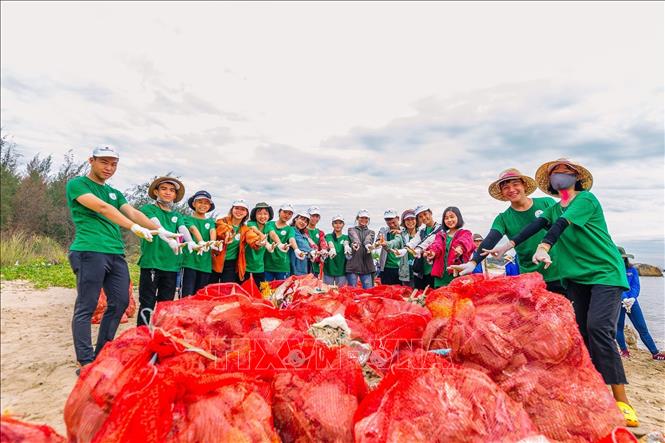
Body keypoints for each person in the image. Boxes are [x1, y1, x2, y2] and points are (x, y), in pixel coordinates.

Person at [485, 158, 638, 427]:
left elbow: (560, 225)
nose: (560, 177)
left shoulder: (585, 200)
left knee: (599, 328)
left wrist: (543, 247)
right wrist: (504, 247)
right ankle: (596, 390)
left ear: (576, 177)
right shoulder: (554, 208)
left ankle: (622, 401)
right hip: (576, 278)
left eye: (565, 172)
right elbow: (532, 227)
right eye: (555, 174)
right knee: (581, 332)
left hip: (604, 273)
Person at [66, 147, 170, 371]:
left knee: (121, 301)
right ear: (91, 161)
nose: (109, 168)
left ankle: (103, 351)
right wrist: (132, 227)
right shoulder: (78, 184)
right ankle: (85, 360)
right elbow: (103, 208)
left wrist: (161, 231)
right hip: (89, 250)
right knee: (87, 304)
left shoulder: (115, 192)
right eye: (104, 162)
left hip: (115, 253)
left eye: (113, 164)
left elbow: (133, 212)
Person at [451, 168, 564, 295]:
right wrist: (473, 262)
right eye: (505, 187)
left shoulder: (546, 203)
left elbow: (563, 228)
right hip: (530, 277)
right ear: (502, 192)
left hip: (559, 270)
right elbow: (490, 240)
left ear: (524, 185)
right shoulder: (503, 218)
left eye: (515, 184)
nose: (511, 190)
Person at [137, 176, 193, 326]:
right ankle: (141, 336)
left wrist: (192, 243)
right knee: (147, 303)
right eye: (164, 189)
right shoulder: (148, 209)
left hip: (171, 265)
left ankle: (160, 336)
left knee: (165, 305)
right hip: (152, 263)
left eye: (171, 190)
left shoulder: (177, 215)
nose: (168, 192)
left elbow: (183, 229)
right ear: (156, 192)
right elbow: (156, 224)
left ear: (175, 195)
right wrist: (168, 239)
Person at [615, 246, 665, 361]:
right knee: (619, 327)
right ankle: (624, 351)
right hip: (618, 302)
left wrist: (631, 298)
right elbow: (616, 286)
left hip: (632, 302)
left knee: (642, 328)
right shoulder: (613, 269)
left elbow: (635, 286)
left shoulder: (632, 270)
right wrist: (624, 298)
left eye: (623, 257)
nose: (621, 259)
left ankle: (655, 353)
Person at [425, 207, 475, 288]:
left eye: (452, 217)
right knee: (440, 299)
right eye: (446, 218)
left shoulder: (465, 233)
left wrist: (460, 248)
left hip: (457, 275)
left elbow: (466, 241)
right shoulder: (440, 235)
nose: (449, 220)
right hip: (440, 277)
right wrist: (432, 252)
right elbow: (437, 245)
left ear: (458, 217)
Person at [180, 190, 217, 297]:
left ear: (209, 206)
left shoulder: (210, 222)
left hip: (205, 265)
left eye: (206, 203)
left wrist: (213, 242)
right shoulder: (186, 219)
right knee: (187, 295)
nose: (203, 205)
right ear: (193, 203)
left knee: (201, 296)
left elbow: (212, 231)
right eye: (200, 202)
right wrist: (201, 242)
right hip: (189, 263)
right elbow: (193, 229)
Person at [211, 199, 253, 283]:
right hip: (215, 261)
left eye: (243, 209)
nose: (239, 211)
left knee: (226, 290)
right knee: (211, 288)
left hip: (231, 264)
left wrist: (259, 242)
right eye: (237, 208)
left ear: (246, 213)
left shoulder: (245, 229)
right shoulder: (221, 221)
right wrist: (227, 232)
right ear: (232, 210)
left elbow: (252, 237)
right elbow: (221, 228)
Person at [406, 205, 441, 289]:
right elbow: (412, 242)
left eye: (425, 214)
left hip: (434, 271)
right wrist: (404, 249)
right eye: (420, 217)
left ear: (431, 213)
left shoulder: (441, 229)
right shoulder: (421, 232)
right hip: (421, 271)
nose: (424, 218)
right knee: (419, 296)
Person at [244, 202, 276, 285]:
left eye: (265, 214)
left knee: (259, 291)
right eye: (259, 213)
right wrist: (267, 244)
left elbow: (273, 234)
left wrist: (280, 244)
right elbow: (256, 231)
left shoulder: (268, 226)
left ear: (269, 216)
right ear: (255, 215)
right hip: (246, 266)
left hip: (259, 267)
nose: (262, 216)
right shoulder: (251, 223)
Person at [264, 204, 297, 281]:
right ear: (279, 212)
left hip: (282, 265)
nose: (287, 215)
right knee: (266, 290)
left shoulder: (290, 229)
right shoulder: (269, 223)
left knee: (281, 291)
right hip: (267, 264)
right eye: (285, 212)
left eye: (290, 214)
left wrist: (296, 250)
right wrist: (279, 244)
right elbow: (272, 233)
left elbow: (292, 239)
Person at [346, 209, 376, 288]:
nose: (364, 220)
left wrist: (368, 245)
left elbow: (368, 239)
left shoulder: (371, 232)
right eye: (361, 217)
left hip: (367, 266)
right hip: (353, 266)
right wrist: (356, 243)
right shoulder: (351, 229)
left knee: (368, 292)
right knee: (352, 291)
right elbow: (354, 237)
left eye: (366, 218)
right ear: (357, 218)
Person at [376, 209, 403, 285]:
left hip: (401, 268)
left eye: (393, 222)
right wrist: (378, 243)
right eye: (389, 223)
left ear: (398, 218)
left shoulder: (404, 231)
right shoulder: (383, 231)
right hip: (386, 267)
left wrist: (387, 244)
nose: (391, 225)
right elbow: (377, 241)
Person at [323, 215, 349, 287]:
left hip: (342, 270)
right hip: (329, 269)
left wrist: (346, 245)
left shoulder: (346, 237)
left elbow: (346, 242)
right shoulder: (328, 236)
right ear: (332, 224)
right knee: (327, 292)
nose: (338, 225)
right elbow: (330, 242)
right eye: (335, 223)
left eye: (340, 223)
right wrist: (332, 248)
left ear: (343, 224)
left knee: (341, 293)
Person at [307, 206, 329, 277]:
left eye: (317, 216)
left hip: (315, 266)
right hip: (304, 264)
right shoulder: (302, 230)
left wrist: (324, 250)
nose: (315, 218)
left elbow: (323, 242)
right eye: (312, 216)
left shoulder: (320, 232)